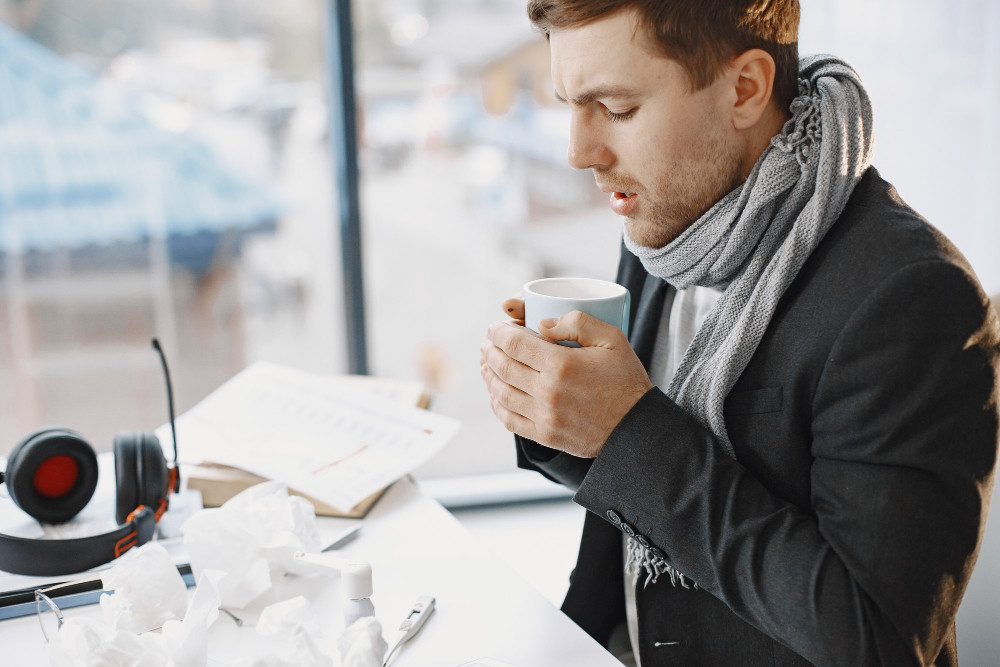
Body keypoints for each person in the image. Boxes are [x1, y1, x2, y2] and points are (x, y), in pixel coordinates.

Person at [478, 1, 1000, 665]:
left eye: (617, 108)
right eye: (570, 104)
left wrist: (629, 430)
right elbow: (628, 484)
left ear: (745, 88)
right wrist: (558, 408)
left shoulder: (913, 299)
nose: (579, 152)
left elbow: (877, 641)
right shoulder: (664, 222)